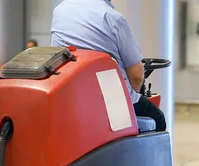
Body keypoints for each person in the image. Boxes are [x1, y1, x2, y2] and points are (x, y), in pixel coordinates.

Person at [51, 0, 166, 132]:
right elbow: (136, 76)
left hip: (73, 95)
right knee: (158, 119)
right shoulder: (113, 18)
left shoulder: (60, 10)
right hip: (111, 100)